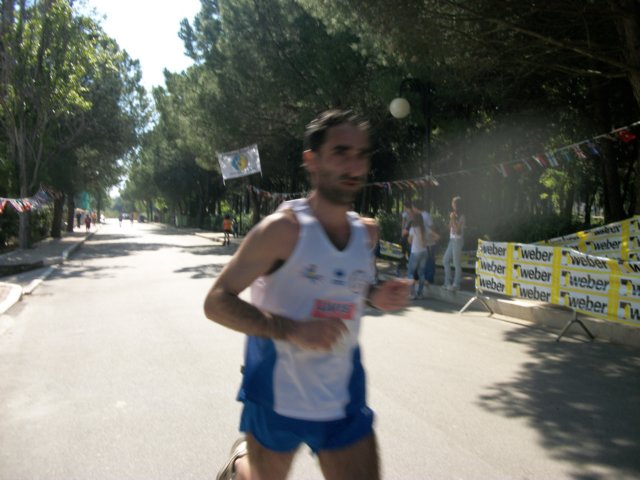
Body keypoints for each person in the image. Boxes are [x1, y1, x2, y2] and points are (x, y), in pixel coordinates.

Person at [203, 109, 411, 480]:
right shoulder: (282, 231)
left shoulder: (366, 233)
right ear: (311, 161)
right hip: (275, 395)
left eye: (361, 154)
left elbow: (347, 284)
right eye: (341, 152)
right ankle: (240, 466)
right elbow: (216, 302)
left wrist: (376, 294)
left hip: (342, 396)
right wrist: (293, 330)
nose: (354, 165)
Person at [442, 196, 466, 291]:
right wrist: (451, 218)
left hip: (458, 241)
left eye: (453, 202)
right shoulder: (453, 214)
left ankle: (456, 284)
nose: (451, 204)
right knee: (445, 260)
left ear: (457, 205)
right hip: (451, 240)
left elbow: (457, 231)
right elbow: (450, 228)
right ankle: (447, 282)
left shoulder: (462, 216)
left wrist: (453, 219)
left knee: (456, 263)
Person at [407, 212, 428, 299]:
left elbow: (410, 241)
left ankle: (412, 293)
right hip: (424, 252)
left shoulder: (413, 229)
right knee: (421, 273)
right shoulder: (424, 229)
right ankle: (420, 293)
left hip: (415, 252)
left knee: (410, 273)